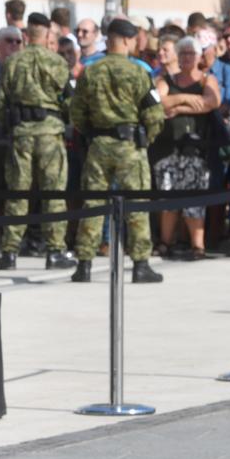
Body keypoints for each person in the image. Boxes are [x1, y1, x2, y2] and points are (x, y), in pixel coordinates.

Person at [69, 17, 165, 284]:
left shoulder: (90, 70)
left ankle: (84, 264)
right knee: (136, 205)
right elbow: (155, 114)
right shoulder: (138, 73)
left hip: (98, 146)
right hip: (129, 146)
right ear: (125, 40)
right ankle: (140, 264)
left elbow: (76, 112)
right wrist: (147, 138)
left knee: (93, 203)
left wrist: (92, 133)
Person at [0, 14, 74, 270]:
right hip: (50, 134)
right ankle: (55, 251)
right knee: (54, 194)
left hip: (21, 135)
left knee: (18, 194)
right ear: (48, 35)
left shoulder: (13, 62)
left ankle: (9, 253)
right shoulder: (58, 62)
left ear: (27, 35)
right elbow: (69, 102)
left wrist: (13, 127)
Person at [152, 36, 221, 260]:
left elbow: (211, 102)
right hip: (167, 148)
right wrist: (186, 99)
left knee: (194, 199)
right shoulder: (165, 79)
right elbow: (159, 102)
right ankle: (165, 241)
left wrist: (179, 108)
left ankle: (197, 245)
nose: (187, 58)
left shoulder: (206, 80)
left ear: (199, 56)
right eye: (183, 54)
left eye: (191, 53)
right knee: (168, 196)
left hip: (195, 149)